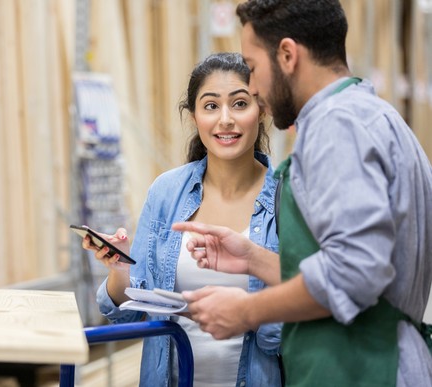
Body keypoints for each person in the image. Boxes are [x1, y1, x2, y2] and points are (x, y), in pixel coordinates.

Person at [173, 1, 432, 386]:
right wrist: (253, 259)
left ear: (288, 55)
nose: (256, 88)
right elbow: (350, 266)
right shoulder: (371, 115)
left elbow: (356, 272)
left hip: (363, 368)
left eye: (254, 68)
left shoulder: (337, 127)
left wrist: (247, 310)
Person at [81, 52, 283, 386]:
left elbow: (296, 320)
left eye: (240, 104)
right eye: (211, 106)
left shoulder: (285, 199)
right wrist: (119, 268)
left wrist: (249, 312)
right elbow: (128, 310)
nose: (226, 120)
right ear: (193, 117)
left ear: (261, 110)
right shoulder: (166, 192)